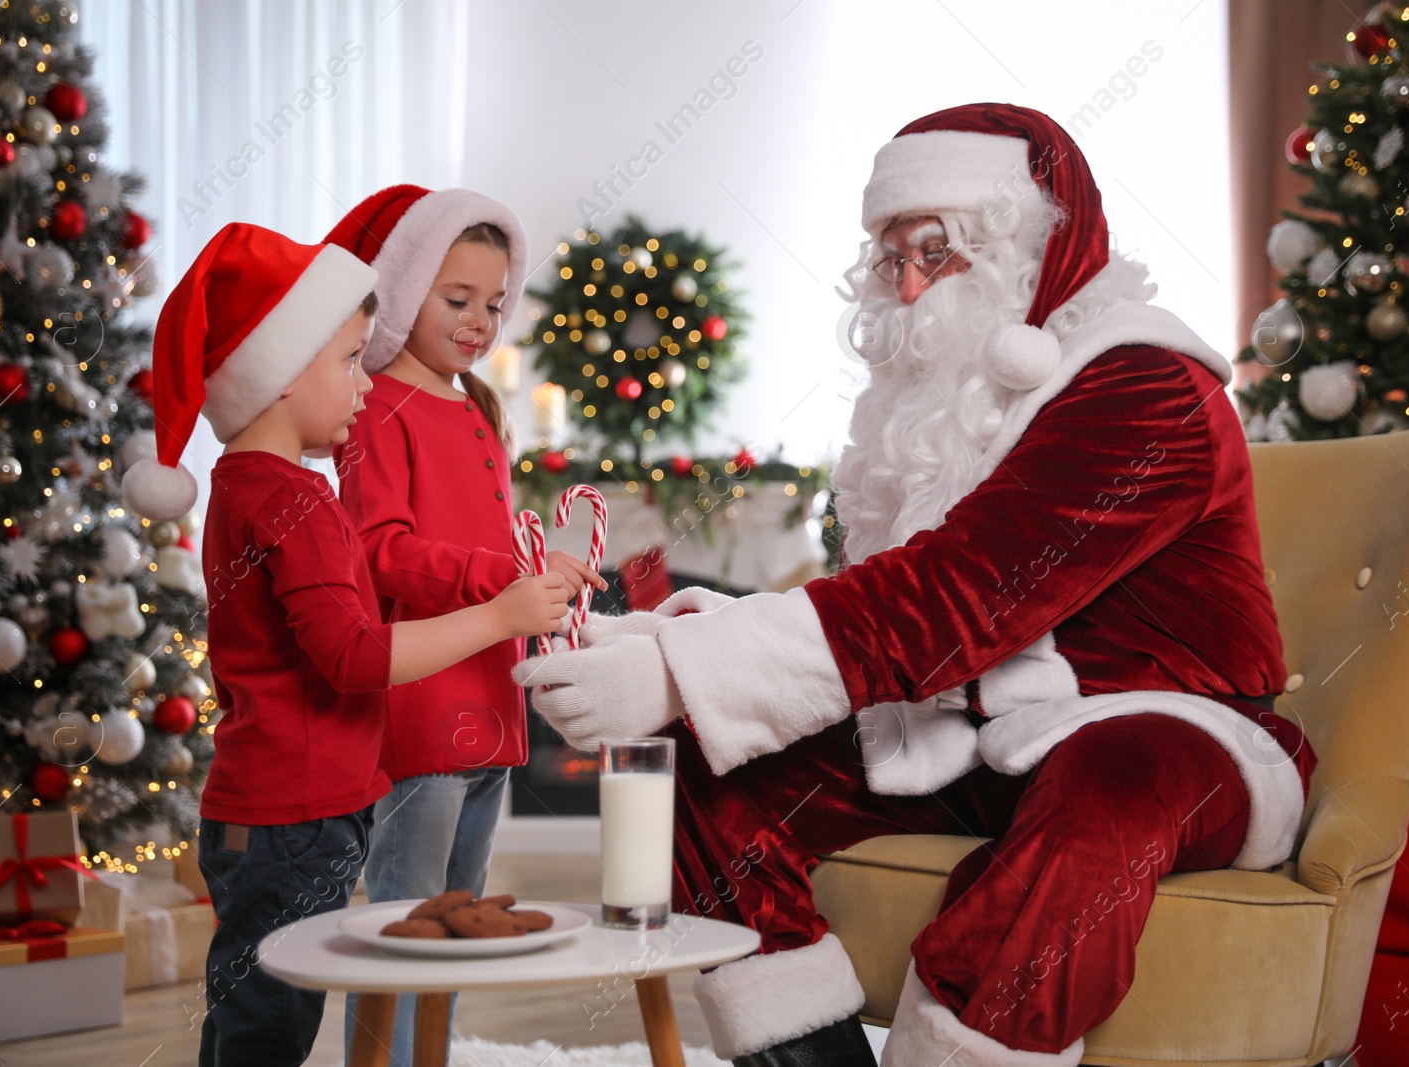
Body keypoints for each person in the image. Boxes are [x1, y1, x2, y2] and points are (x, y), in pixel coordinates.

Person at [515, 103, 1318, 1066]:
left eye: (934, 254)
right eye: (889, 260)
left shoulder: (1145, 386)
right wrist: (673, 652)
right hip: (973, 734)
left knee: (1107, 785)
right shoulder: (938, 410)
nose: (905, 287)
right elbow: (882, 607)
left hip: (1176, 731)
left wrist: (685, 672)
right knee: (705, 761)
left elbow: (958, 596)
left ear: (1024, 243)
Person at [121, 222, 570, 1067]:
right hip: (294, 813)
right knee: (270, 1023)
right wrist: (501, 617)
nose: (366, 384)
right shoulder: (298, 504)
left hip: (276, 808)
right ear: (282, 374)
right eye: (351, 361)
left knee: (253, 1012)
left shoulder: (243, 489)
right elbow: (356, 658)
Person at [323, 184, 604, 1063]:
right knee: (407, 925)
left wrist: (543, 571)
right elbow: (381, 553)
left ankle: (428, 1055)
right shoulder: (373, 406)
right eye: (457, 300)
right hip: (422, 710)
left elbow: (498, 540)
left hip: (494, 706)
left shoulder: (479, 406)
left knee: (463, 919)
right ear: (406, 291)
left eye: (492, 302)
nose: (480, 320)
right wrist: (501, 576)